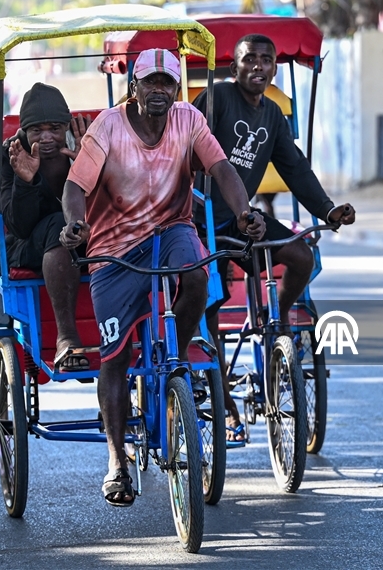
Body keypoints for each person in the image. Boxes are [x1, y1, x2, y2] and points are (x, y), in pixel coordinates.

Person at [60, 48, 265, 507]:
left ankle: (181, 359)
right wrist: (76, 224)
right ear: (133, 87)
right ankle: (117, 462)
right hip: (113, 247)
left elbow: (221, 167)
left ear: (176, 90)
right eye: (149, 83)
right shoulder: (108, 127)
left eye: (167, 84)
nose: (158, 92)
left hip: (171, 230)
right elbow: (75, 187)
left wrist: (244, 211)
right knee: (114, 356)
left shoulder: (188, 119)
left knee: (196, 274)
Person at [191, 34, 356, 446]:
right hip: (200, 220)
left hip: (245, 219)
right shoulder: (214, 100)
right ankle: (221, 396)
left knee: (301, 255)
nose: (258, 67)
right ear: (234, 67)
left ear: (274, 69)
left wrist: (328, 210)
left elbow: (294, 168)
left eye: (267, 60)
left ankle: (277, 316)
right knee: (210, 299)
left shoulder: (274, 116)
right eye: (250, 59)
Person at [0, 82, 90, 371]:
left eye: (55, 128)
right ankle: (67, 337)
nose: (47, 137)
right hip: (28, 246)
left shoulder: (83, 143)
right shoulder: (12, 151)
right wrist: (26, 181)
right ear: (25, 131)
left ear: (66, 126)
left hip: (86, 237)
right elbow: (18, 226)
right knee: (59, 224)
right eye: (37, 130)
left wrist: (89, 166)